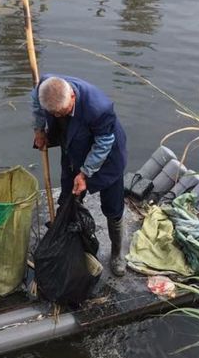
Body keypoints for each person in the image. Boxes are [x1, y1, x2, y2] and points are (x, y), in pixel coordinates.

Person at [32, 73, 128, 276]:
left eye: (62, 112)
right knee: (68, 198)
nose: (57, 116)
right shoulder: (44, 87)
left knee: (113, 207)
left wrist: (85, 174)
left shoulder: (99, 108)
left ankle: (118, 252)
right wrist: (39, 130)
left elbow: (103, 144)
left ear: (73, 97)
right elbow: (37, 105)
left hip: (107, 156)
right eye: (54, 114)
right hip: (73, 146)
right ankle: (67, 243)